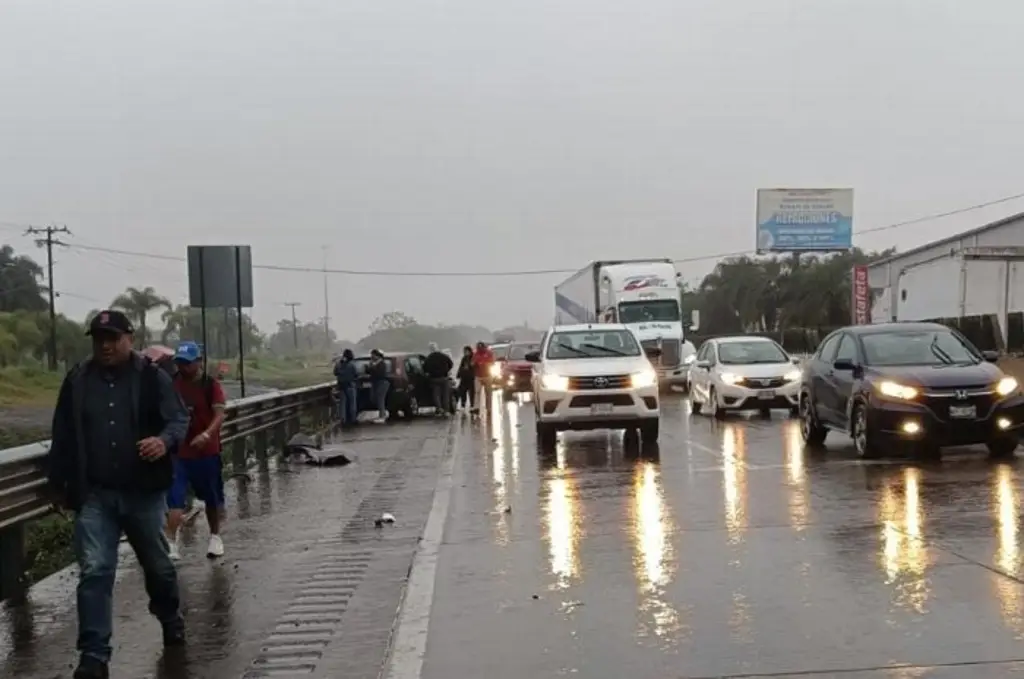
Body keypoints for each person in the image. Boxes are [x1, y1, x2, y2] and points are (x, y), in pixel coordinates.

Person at [46, 310, 189, 679]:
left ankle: (169, 615)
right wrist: (58, 484)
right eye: (99, 339)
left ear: (130, 338)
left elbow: (178, 420)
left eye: (113, 338)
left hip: (143, 492)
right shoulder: (78, 380)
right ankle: (94, 655)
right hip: (95, 494)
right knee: (94, 569)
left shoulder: (152, 378)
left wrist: (163, 440)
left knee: (157, 565)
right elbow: (62, 432)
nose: (105, 345)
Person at [165, 341, 227, 561]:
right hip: (179, 452)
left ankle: (215, 536)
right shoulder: (171, 384)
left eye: (188, 363)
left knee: (211, 497)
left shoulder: (210, 385)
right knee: (175, 498)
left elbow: (219, 414)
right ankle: (171, 541)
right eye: (180, 363)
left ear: (199, 362)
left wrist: (207, 434)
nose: (183, 367)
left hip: (206, 451)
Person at [424, 342, 454, 416]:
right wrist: (446, 371)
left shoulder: (429, 358)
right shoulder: (443, 356)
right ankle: (446, 410)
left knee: (436, 395)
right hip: (444, 377)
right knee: (445, 395)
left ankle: (439, 409)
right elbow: (451, 363)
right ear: (437, 347)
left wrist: (429, 373)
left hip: (434, 378)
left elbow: (424, 368)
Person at [334, 349, 358, 427]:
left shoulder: (338, 364)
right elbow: (356, 374)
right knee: (352, 403)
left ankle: (343, 420)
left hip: (341, 386)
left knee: (342, 404)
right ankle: (353, 419)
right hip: (350, 385)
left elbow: (335, 373)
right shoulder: (352, 364)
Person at [472, 341, 496, 414]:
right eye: (478, 348)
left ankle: (489, 408)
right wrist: (475, 363)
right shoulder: (476, 354)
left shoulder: (489, 353)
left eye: (481, 348)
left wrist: (484, 364)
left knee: (488, 392)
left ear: (484, 347)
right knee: (477, 392)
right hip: (478, 376)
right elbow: (472, 363)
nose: (480, 349)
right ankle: (476, 407)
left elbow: (492, 362)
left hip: (487, 375)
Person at [368, 349, 390, 424]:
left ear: (376, 355)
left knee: (380, 399)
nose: (371, 356)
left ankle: (382, 416)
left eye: (373, 355)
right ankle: (382, 414)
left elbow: (379, 373)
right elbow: (369, 371)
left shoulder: (381, 363)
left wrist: (372, 367)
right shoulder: (373, 363)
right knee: (374, 398)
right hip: (375, 383)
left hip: (382, 383)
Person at [456, 345, 476, 412]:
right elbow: (461, 366)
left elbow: (474, 366)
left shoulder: (473, 358)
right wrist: (458, 374)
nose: (465, 352)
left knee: (471, 393)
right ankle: (463, 405)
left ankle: (472, 405)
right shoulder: (464, 358)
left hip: (471, 378)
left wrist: (470, 366)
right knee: (462, 392)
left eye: (466, 351)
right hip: (464, 377)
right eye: (464, 351)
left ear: (470, 351)